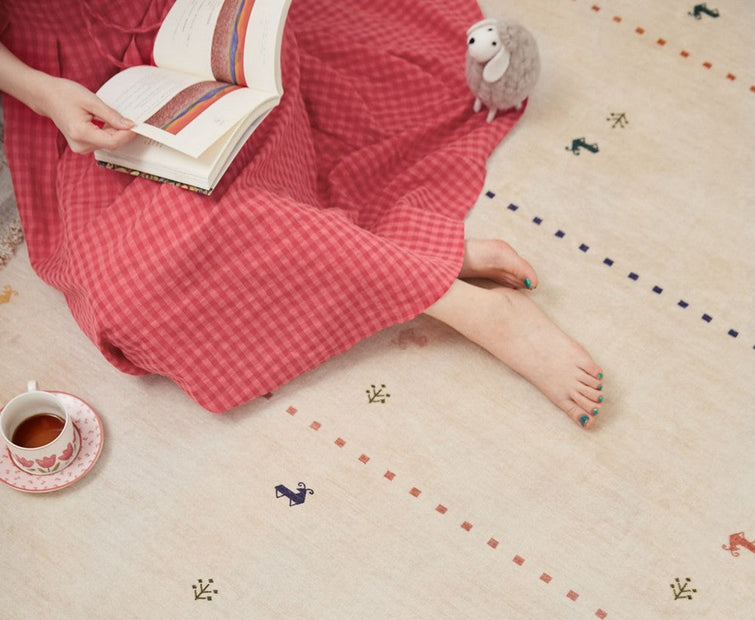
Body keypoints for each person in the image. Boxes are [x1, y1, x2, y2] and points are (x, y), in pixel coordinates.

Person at [0, 0, 604, 428]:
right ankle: (438, 268)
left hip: (203, 35)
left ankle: (474, 310)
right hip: (65, 90)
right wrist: (42, 93)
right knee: (134, 299)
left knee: (231, 204)